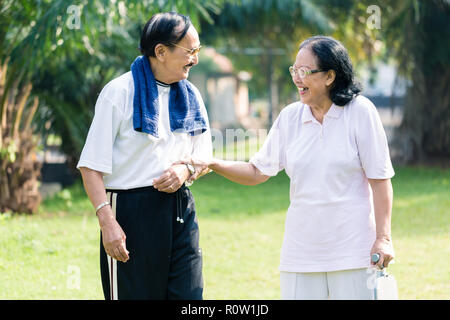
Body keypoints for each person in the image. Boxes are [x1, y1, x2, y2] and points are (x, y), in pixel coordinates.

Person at [185, 35, 395, 300]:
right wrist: (213, 163)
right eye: (294, 70)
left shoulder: (360, 112)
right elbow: (257, 171)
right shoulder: (290, 118)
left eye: (305, 71)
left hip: (353, 252)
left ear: (330, 76)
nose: (297, 78)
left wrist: (383, 238)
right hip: (301, 255)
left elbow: (380, 179)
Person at [76, 12, 212, 300]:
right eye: (190, 51)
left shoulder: (191, 96)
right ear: (161, 52)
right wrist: (107, 223)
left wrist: (186, 170)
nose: (195, 59)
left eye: (197, 51)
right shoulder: (118, 92)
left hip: (180, 209)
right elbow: (90, 168)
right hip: (129, 213)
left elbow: (203, 155)